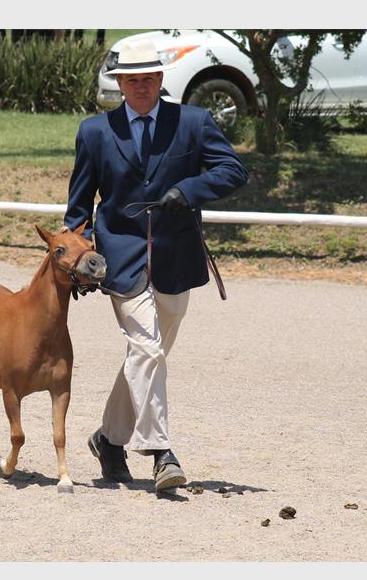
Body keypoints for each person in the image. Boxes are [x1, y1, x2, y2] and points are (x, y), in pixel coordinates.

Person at [64, 40, 249, 492]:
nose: (140, 86)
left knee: (148, 356)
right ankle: (161, 451)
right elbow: (78, 206)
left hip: (176, 255)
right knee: (146, 349)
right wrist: (78, 258)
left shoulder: (193, 122)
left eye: (148, 78)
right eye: (131, 80)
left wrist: (189, 190)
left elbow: (233, 171)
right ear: (120, 84)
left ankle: (108, 439)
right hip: (121, 257)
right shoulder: (94, 132)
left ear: (161, 80)